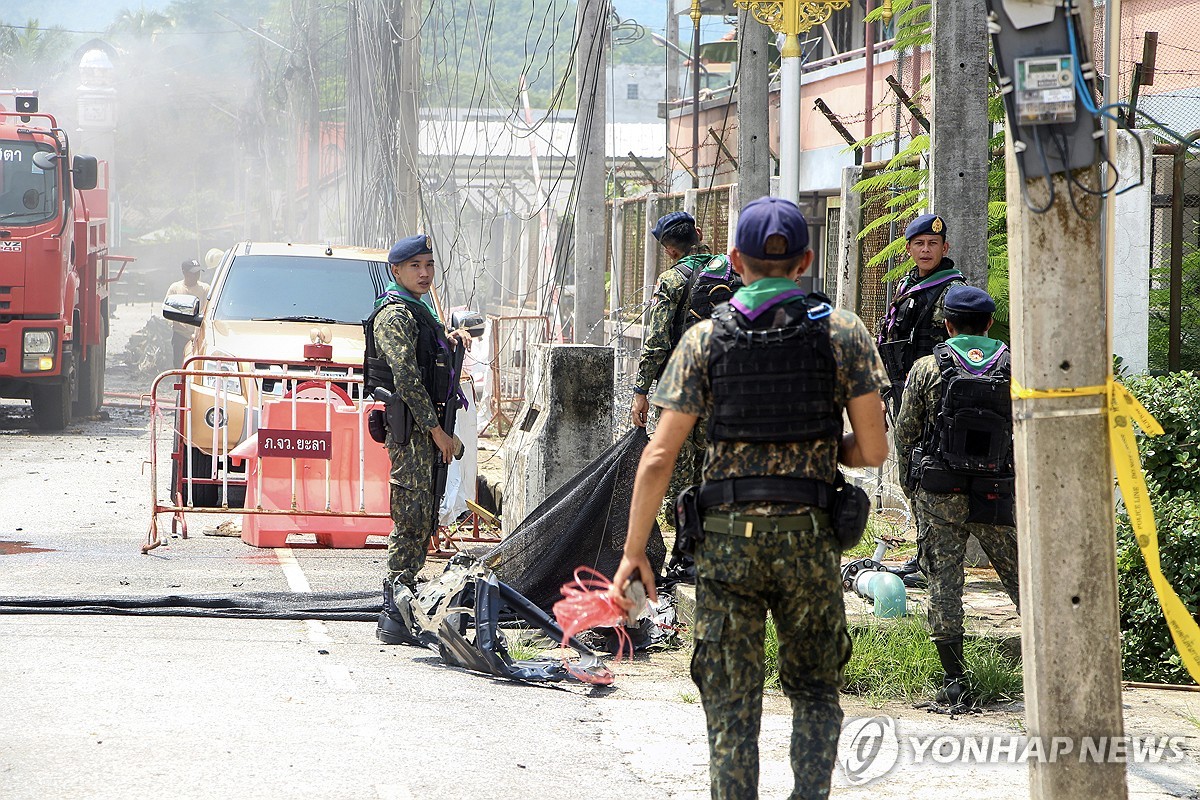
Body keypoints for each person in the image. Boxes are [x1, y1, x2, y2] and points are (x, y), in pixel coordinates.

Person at [610, 196, 889, 800]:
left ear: (735, 260)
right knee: (815, 690)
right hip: (810, 540)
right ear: (806, 260)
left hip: (727, 544)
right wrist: (818, 449)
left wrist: (635, 553)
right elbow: (872, 451)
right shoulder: (844, 332)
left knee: (732, 701)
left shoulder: (705, 340)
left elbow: (658, 457)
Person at [892, 284, 1020, 708]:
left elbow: (906, 432)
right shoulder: (1013, 365)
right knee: (1021, 577)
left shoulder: (928, 367)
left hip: (939, 488)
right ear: (988, 323)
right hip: (995, 490)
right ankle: (1058, 667)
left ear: (946, 324)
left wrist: (911, 488)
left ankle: (954, 679)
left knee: (944, 581)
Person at [365, 235, 468, 645]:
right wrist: (437, 431)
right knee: (410, 519)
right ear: (396, 271)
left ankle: (407, 604)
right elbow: (406, 378)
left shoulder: (418, 310)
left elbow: (429, 355)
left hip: (425, 430)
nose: (424, 273)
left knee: (424, 516)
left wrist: (453, 341)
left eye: (428, 264)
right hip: (414, 431)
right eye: (415, 266)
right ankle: (394, 611)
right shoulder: (395, 315)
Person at [631, 211, 740, 579]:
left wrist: (640, 390)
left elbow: (658, 341)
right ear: (698, 234)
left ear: (669, 250)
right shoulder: (727, 272)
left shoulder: (672, 280)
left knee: (679, 477)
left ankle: (687, 559)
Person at [876, 214, 965, 583]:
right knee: (910, 469)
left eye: (933, 244)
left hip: (934, 393)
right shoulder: (906, 285)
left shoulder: (953, 290)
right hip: (902, 388)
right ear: (909, 248)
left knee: (928, 472)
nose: (926, 250)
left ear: (945, 249)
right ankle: (923, 552)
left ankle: (931, 560)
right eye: (919, 244)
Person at [165, 259, 209, 367]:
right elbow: (168, 313)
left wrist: (197, 332)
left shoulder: (205, 289)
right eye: (193, 273)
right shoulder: (175, 289)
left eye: (198, 273)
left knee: (199, 365)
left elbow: (208, 311)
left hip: (200, 337)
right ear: (184, 272)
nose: (196, 276)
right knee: (180, 366)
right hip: (180, 336)